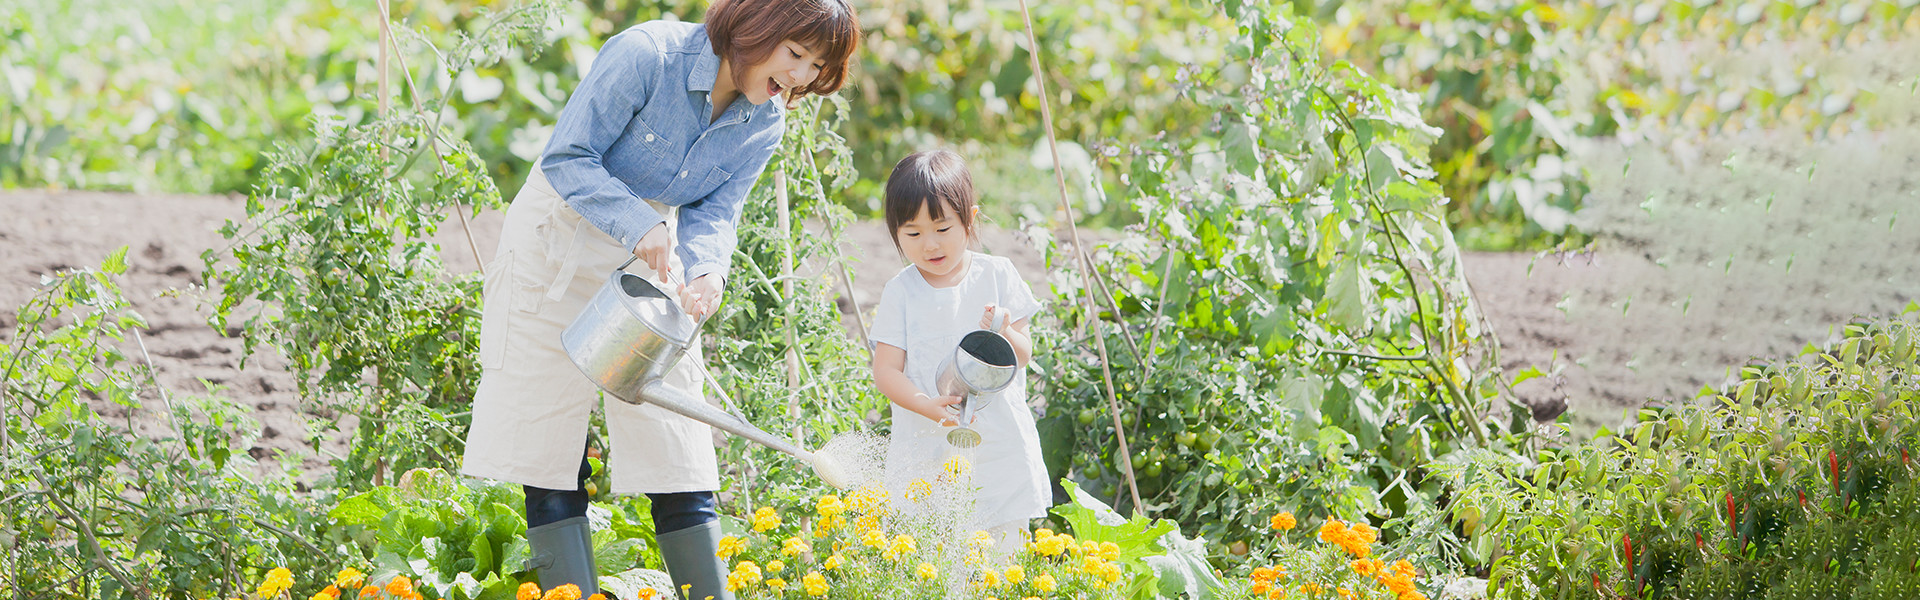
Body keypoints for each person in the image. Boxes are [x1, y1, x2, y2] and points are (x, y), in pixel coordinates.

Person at [458, 1, 859, 598]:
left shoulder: (765, 121)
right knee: (548, 455)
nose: (800, 77)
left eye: (816, 65)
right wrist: (639, 226)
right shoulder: (646, 55)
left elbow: (715, 211)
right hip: (559, 241)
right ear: (754, 27)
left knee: (678, 448)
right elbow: (568, 157)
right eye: (795, 54)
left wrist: (709, 272)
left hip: (651, 256)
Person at [867, 150, 1050, 551]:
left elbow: (1023, 354)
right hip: (928, 443)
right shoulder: (901, 290)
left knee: (1003, 559)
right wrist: (925, 404)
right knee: (936, 557)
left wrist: (1003, 328)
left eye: (942, 228)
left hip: (997, 443)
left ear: (970, 218)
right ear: (895, 233)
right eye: (912, 234)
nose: (929, 244)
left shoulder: (997, 274)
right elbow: (886, 371)